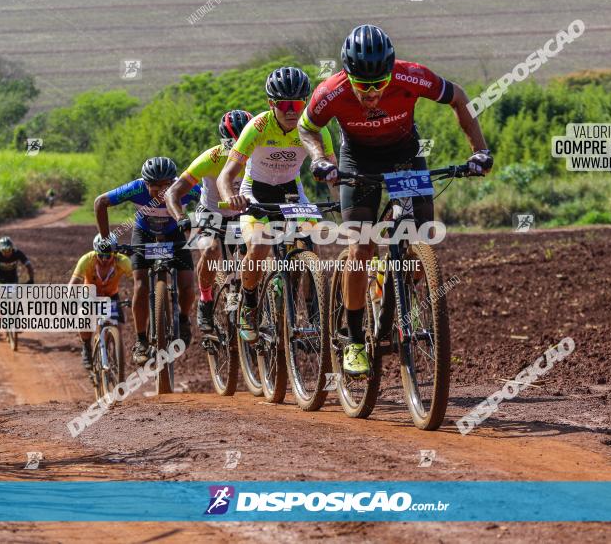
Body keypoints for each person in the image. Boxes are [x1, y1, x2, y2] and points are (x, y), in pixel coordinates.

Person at [298, 24, 493, 376]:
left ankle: (394, 282)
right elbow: (306, 126)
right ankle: (355, 339)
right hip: (357, 160)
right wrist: (319, 159)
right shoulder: (331, 91)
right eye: (363, 86)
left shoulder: (412, 76)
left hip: (405, 155)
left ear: (391, 73)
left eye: (380, 84)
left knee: (421, 243)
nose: (372, 94)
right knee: (361, 247)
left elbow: (459, 97)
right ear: (347, 76)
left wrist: (479, 151)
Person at [217, 67, 336, 342]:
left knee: (310, 245)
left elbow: (333, 173)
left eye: (297, 104)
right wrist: (231, 197)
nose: (291, 111)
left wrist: (343, 195)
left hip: (291, 191)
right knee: (259, 246)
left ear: (305, 103)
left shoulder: (315, 129)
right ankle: (249, 305)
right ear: (272, 105)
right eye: (284, 105)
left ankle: (310, 310)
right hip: (255, 191)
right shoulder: (258, 126)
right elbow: (226, 175)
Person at [94, 157, 197, 365]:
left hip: (174, 233)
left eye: (166, 185)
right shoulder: (136, 188)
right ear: (145, 183)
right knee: (140, 286)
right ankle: (141, 341)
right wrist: (106, 240)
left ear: (173, 182)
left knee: (187, 284)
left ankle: (184, 320)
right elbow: (100, 202)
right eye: (154, 186)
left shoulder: (186, 187)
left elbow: (210, 200)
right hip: (144, 234)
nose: (160, 191)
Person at [165, 109, 253, 332]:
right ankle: (205, 300)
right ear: (224, 142)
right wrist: (181, 217)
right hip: (209, 214)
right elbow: (172, 193)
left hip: (239, 214)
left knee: (251, 255)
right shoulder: (211, 158)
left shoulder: (258, 155)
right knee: (211, 250)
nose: (240, 149)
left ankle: (247, 303)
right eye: (234, 143)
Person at [69, 234, 133, 373]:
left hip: (111, 296)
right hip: (89, 295)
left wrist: (139, 297)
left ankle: (113, 348)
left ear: (114, 253)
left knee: (119, 326)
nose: (104, 259)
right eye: (100, 255)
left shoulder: (123, 261)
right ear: (95, 252)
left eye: (107, 256)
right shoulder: (87, 260)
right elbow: (73, 284)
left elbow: (138, 282)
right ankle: (86, 347)